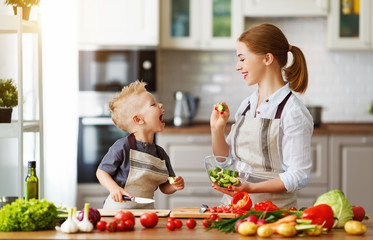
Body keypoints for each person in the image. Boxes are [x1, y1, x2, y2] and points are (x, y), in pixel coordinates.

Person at [210, 23, 313, 209]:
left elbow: (298, 176)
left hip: (272, 215)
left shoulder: (293, 112)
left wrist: (251, 188)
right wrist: (217, 129)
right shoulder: (247, 105)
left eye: (242, 59)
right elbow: (226, 160)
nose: (237, 66)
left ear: (267, 59)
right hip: (233, 209)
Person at [96, 80, 184, 209]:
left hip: (146, 212)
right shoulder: (122, 146)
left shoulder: (161, 154)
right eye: (153, 104)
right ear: (139, 120)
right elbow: (101, 172)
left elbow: (165, 186)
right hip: (118, 209)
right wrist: (114, 189)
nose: (160, 105)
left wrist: (174, 185)